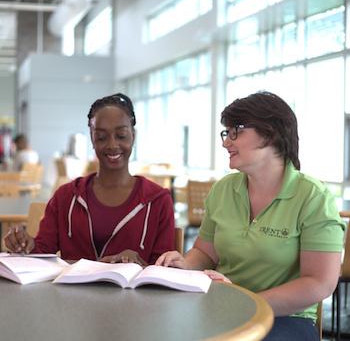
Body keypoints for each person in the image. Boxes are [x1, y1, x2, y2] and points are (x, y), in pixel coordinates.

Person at [156, 91, 345, 340]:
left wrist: (247, 303)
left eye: (236, 131)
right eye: (226, 133)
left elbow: (320, 283)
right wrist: (185, 264)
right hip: (222, 307)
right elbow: (205, 253)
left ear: (270, 133)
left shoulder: (313, 197)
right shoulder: (224, 189)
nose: (226, 142)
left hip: (286, 318)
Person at [5, 93, 175, 265]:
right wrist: (26, 245)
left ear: (133, 136)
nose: (112, 145)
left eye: (121, 136)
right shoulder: (66, 196)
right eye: (101, 137)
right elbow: (42, 253)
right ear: (92, 139)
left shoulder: (158, 200)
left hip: (133, 291)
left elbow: (163, 270)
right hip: (70, 292)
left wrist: (140, 265)